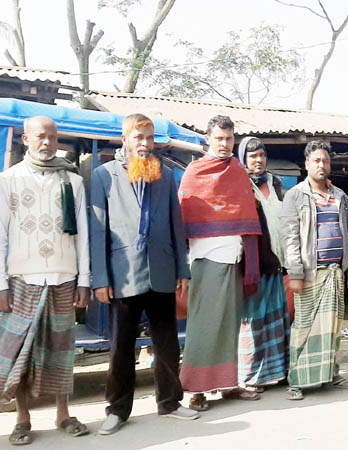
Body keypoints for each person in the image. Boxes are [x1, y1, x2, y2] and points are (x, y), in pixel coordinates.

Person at [91, 114, 198, 435]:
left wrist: (182, 267)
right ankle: (117, 410)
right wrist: (100, 278)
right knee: (121, 346)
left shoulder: (164, 175)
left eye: (150, 138)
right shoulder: (102, 176)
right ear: (124, 139)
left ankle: (170, 402)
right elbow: (97, 232)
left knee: (166, 342)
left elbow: (176, 224)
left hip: (162, 270)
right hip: (122, 274)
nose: (145, 144)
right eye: (138, 138)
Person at [0, 116, 90, 444]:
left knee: (62, 350)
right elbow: (1, 236)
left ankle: (63, 414)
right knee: (21, 352)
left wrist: (84, 280)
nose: (47, 143)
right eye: (40, 137)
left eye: (52, 137)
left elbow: (83, 236)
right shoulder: (7, 180)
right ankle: (23, 418)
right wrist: (1, 284)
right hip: (22, 278)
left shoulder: (72, 181)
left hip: (63, 277)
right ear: (25, 139)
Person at [179, 115, 262, 410]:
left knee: (230, 324)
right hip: (205, 257)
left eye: (229, 139)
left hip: (234, 256)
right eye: (219, 139)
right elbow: (185, 214)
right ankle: (196, 390)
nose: (224, 144)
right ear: (207, 139)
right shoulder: (195, 171)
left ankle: (227, 384)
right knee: (204, 324)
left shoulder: (238, 171)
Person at [282, 140, 348, 400]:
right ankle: (296, 380)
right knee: (303, 328)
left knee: (332, 328)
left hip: (336, 272)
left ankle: (331, 374)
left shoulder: (340, 196)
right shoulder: (295, 195)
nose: (321, 165)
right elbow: (290, 237)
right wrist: (294, 273)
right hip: (309, 273)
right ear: (306, 164)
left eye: (325, 160)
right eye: (316, 160)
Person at [235, 137, 291, 392]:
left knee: (277, 320)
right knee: (254, 324)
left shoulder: (276, 183)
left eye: (261, 155)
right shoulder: (239, 185)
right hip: (254, 267)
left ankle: (278, 373)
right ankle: (250, 377)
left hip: (278, 263)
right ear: (243, 159)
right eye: (252, 156)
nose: (258, 161)